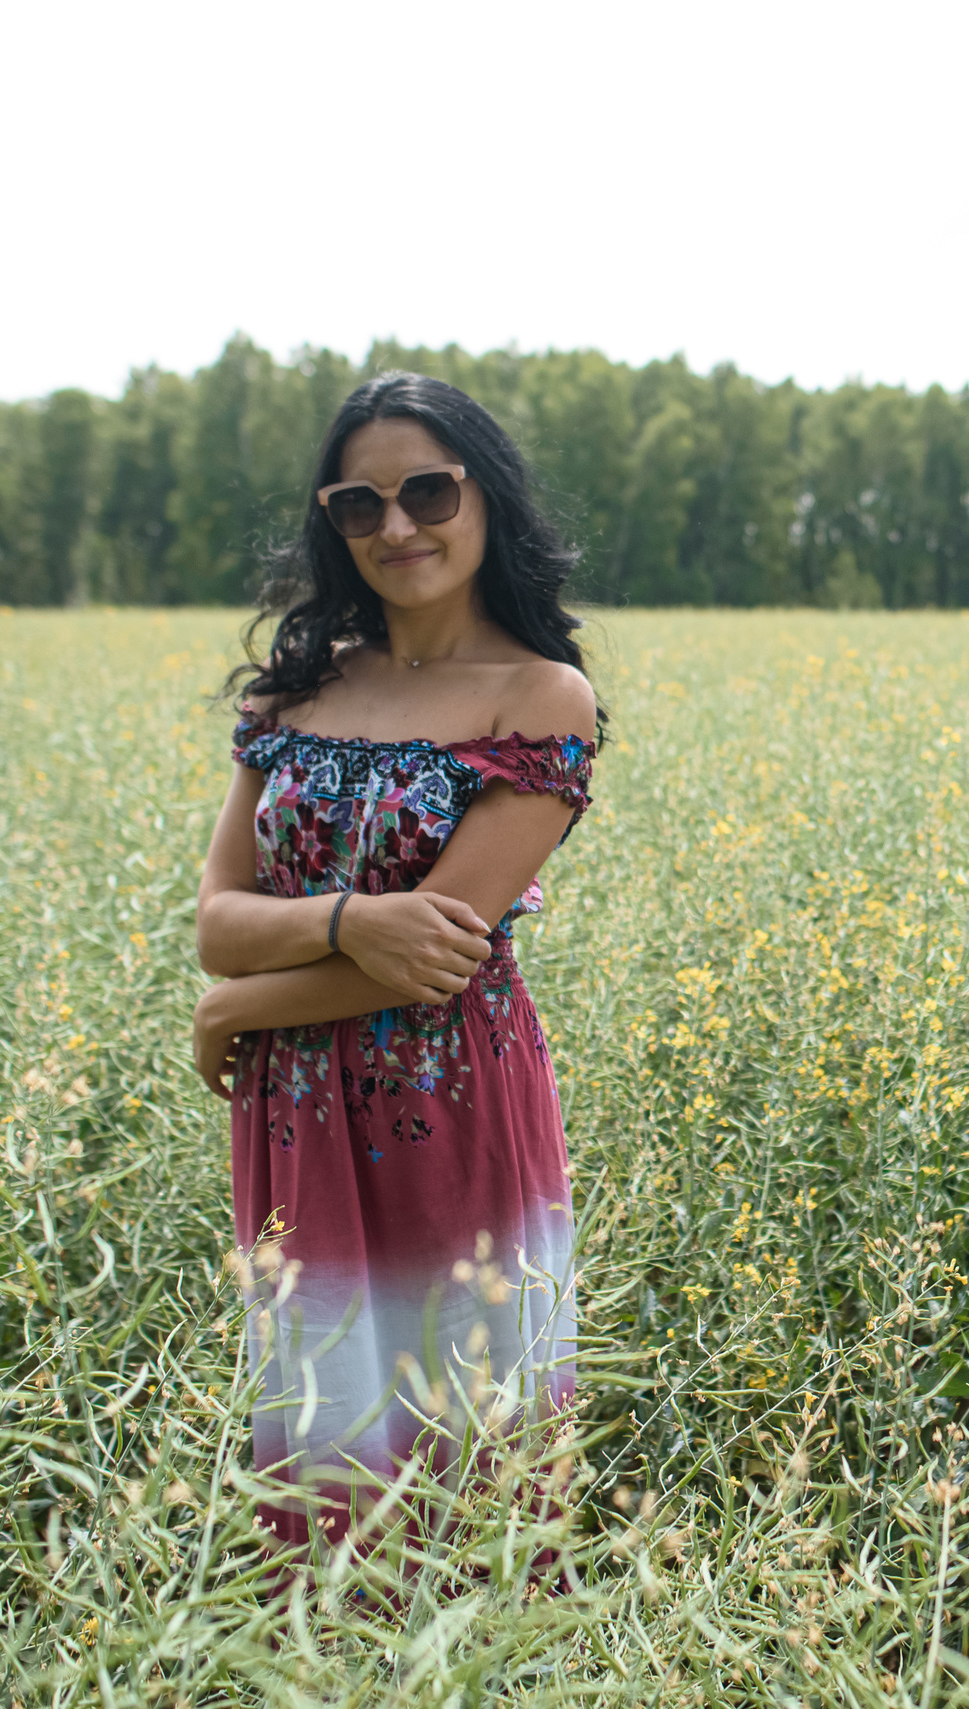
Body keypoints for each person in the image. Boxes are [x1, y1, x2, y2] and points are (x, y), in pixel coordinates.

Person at [192, 372, 599, 1548]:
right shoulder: (295, 689)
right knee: (320, 1426)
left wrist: (237, 1003)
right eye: (358, 505)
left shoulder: (538, 698)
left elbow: (438, 957)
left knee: (469, 1429)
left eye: (427, 490)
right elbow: (219, 916)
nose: (398, 527)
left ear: (487, 495)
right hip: (296, 1103)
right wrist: (342, 925)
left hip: (448, 1093)